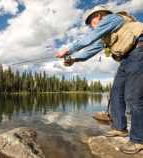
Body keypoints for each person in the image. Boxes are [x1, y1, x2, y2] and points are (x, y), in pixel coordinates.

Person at [54, 5, 143, 154]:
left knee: (134, 97)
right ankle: (120, 128)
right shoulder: (107, 34)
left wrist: (68, 50)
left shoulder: (111, 19)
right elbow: (91, 49)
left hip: (138, 52)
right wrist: (74, 59)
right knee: (115, 94)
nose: (91, 25)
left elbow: (89, 39)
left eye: (91, 21)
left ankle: (139, 140)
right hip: (126, 59)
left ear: (100, 16)